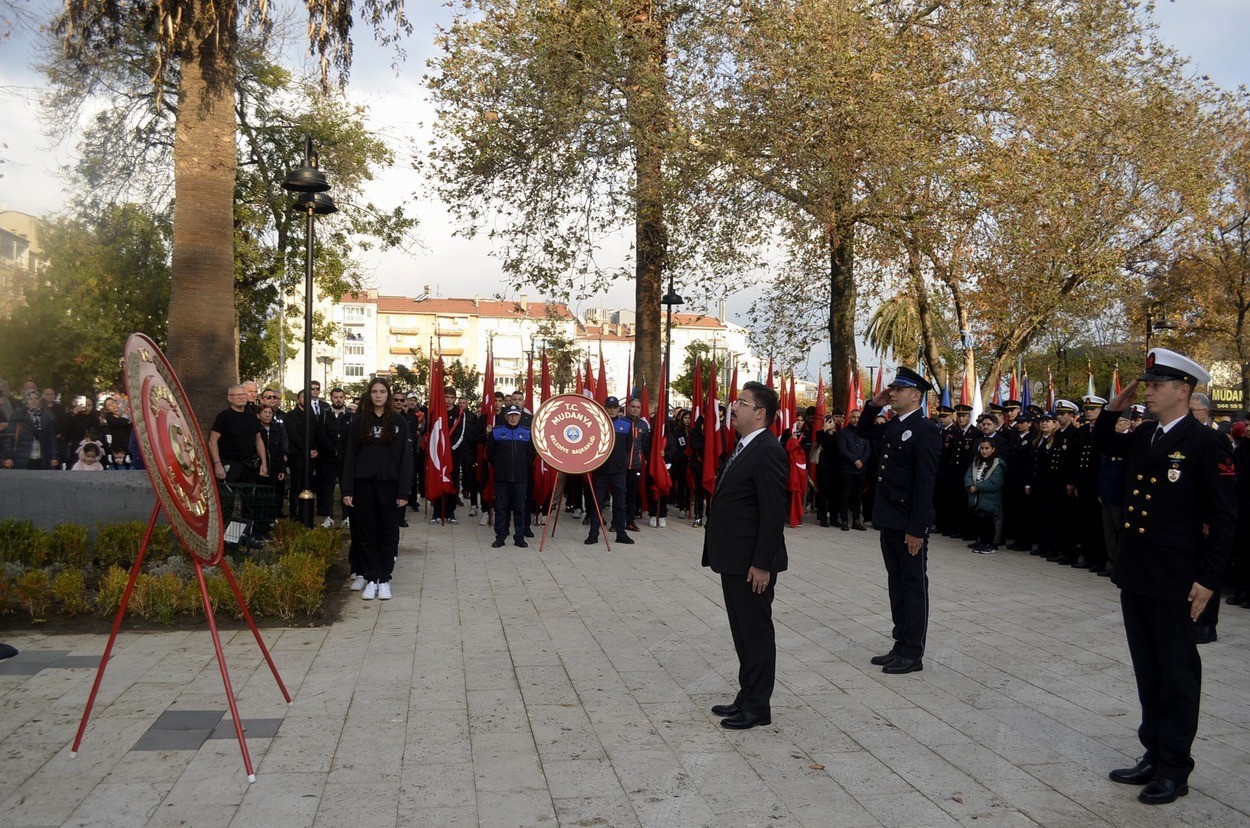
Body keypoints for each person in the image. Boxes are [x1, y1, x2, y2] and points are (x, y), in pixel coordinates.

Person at [1097, 349, 1236, 805]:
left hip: (1178, 577)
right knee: (1148, 671)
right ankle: (1153, 753)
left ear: (1184, 390)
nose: (1149, 390)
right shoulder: (1145, 436)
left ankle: (1175, 767)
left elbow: (1224, 517)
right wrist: (1117, 403)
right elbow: (1101, 444)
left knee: (1177, 673)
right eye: (1147, 383)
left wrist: (1209, 579)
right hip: (1137, 572)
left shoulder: (1206, 441)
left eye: (1157, 384)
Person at [703, 381, 788, 730]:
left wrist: (761, 563)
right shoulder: (744, 445)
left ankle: (758, 708)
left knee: (755, 633)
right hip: (734, 557)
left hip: (752, 562)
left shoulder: (767, 449)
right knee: (742, 632)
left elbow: (773, 512)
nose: (733, 406)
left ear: (760, 413)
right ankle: (747, 695)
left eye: (741, 402)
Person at [857, 367, 941, 675]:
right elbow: (864, 430)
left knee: (913, 585)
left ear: (916, 395)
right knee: (897, 584)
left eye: (899, 389)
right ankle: (900, 644)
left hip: (909, 522)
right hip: (889, 518)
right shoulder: (895, 425)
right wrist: (874, 404)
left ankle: (913, 652)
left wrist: (917, 528)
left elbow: (925, 483)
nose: (893, 392)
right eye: (892, 388)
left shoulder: (926, 429)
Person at [341, 378, 413, 601]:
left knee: (388, 533)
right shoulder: (359, 422)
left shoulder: (400, 422)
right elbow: (349, 458)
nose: (378, 395)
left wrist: (404, 492)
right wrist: (347, 490)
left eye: (382, 391)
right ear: (369, 394)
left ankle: (384, 579)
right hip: (364, 486)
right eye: (374, 391)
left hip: (390, 487)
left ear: (388, 395)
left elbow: (406, 460)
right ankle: (371, 578)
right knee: (366, 533)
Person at [208, 385, 268, 546]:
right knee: (227, 502)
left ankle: (243, 537)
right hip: (229, 465)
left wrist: (264, 463)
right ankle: (222, 539)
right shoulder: (223, 417)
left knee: (249, 502)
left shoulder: (251, 417)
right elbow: (213, 441)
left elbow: (258, 440)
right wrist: (217, 464)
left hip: (249, 465)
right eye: (236, 395)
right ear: (230, 398)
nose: (241, 397)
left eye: (243, 394)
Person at [586, 396, 634, 545]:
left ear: (619, 408)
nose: (612, 409)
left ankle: (621, 533)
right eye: (609, 407)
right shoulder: (597, 424)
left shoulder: (626, 425)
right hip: (600, 471)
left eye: (615, 407)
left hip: (619, 471)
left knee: (619, 504)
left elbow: (628, 447)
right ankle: (593, 534)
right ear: (604, 408)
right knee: (597, 504)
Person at [487, 404, 534, 548]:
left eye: (516, 415)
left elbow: (531, 454)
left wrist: (522, 467)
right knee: (501, 508)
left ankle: (519, 537)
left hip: (520, 479)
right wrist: (500, 465)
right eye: (511, 415)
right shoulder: (496, 432)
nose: (513, 418)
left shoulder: (527, 432)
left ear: (520, 416)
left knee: (520, 509)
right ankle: (500, 537)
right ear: (506, 416)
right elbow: (490, 453)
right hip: (501, 478)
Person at [964, 438, 1005, 554]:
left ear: (993, 449)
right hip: (977, 497)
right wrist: (969, 485)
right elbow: (968, 475)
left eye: (987, 448)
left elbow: (994, 482)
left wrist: (977, 486)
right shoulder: (976, 461)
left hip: (990, 498)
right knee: (979, 521)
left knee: (989, 521)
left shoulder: (998, 464)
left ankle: (990, 544)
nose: (984, 451)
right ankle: (982, 541)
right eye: (982, 448)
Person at [318, 387, 351, 527]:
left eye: (341, 397)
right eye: (335, 397)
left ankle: (346, 517)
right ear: (331, 398)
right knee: (328, 489)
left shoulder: (350, 415)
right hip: (328, 458)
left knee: (346, 488)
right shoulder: (324, 414)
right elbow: (321, 435)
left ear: (344, 398)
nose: (338, 399)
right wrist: (333, 449)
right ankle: (329, 516)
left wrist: (343, 451)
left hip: (345, 459)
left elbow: (351, 436)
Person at [836, 409, 871, 530]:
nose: (856, 420)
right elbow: (843, 450)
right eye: (853, 417)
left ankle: (856, 520)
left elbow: (868, 449)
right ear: (849, 418)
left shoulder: (864, 433)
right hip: (847, 469)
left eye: (858, 417)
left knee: (857, 496)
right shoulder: (843, 432)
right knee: (845, 496)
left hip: (861, 470)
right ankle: (844, 520)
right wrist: (854, 461)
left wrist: (862, 461)